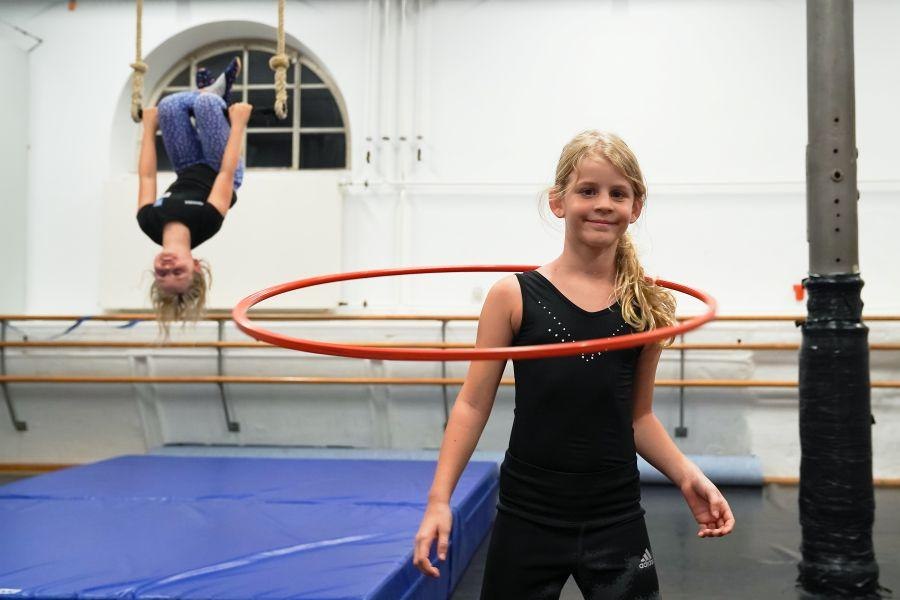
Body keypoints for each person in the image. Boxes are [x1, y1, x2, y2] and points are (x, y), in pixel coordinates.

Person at [412, 130, 735, 599]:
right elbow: (472, 403)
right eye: (588, 191)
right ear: (559, 201)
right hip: (528, 515)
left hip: (615, 515)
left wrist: (689, 474)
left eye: (617, 193)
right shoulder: (513, 296)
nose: (603, 203)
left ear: (635, 207)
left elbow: (638, 416)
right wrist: (439, 500)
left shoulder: (645, 307)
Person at [136, 56, 251, 334]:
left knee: (169, 107)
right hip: (220, 166)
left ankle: (210, 90)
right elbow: (225, 174)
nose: (168, 268)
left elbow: (147, 176)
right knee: (207, 106)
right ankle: (213, 94)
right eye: (178, 272)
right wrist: (238, 124)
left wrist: (149, 128)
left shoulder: (148, 222)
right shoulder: (206, 223)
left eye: (162, 274)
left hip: (187, 166)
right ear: (196, 266)